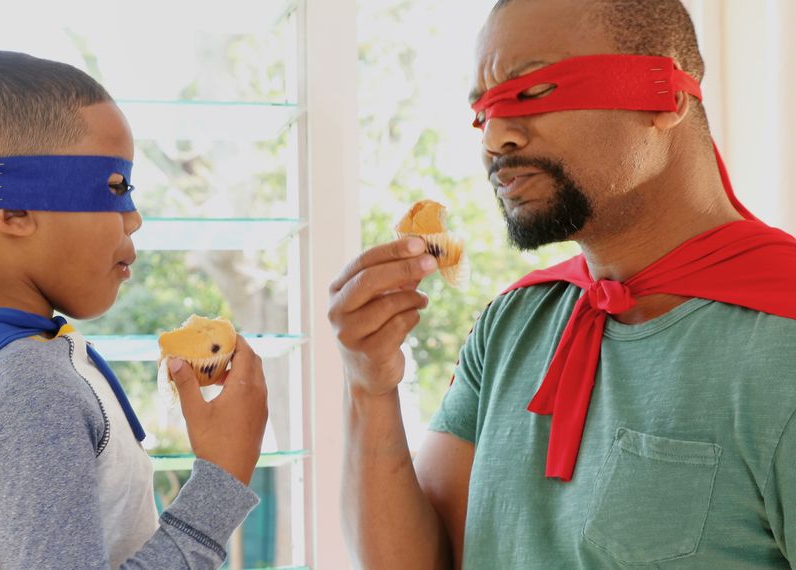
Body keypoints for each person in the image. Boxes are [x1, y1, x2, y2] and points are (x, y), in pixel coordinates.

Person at [330, 0, 796, 567]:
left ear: (665, 96)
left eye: (534, 91)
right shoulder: (513, 324)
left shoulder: (783, 345)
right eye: (482, 110)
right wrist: (369, 385)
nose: (495, 136)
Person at [0, 50, 268, 569]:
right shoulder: (31, 385)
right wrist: (221, 480)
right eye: (114, 188)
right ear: (13, 210)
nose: (133, 218)